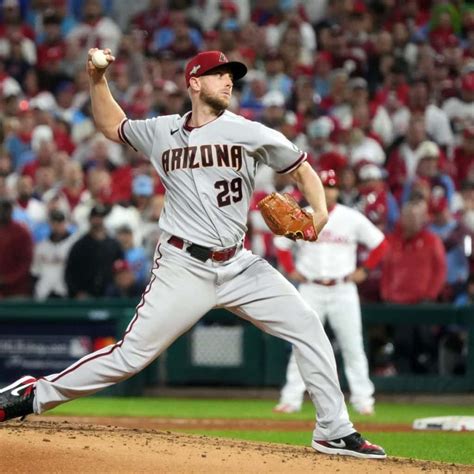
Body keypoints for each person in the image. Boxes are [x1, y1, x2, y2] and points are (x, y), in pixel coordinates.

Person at [0, 49, 386, 459]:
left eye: (231, 76)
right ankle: (33, 394)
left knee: (307, 325)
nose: (228, 81)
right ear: (195, 83)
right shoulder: (162, 130)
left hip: (238, 264)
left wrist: (320, 212)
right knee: (129, 357)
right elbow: (112, 125)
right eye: (219, 74)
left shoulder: (248, 131)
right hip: (182, 266)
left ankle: (333, 430)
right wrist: (98, 78)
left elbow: (301, 167)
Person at [273, 170, 389, 416]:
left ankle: (363, 400)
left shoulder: (351, 218)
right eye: (324, 186)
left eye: (331, 187)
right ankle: (291, 399)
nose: (327, 191)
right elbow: (280, 245)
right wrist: (291, 270)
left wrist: (365, 270)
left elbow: (380, 244)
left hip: (342, 288)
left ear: (338, 191)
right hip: (311, 288)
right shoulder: (302, 215)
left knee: (352, 346)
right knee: (302, 343)